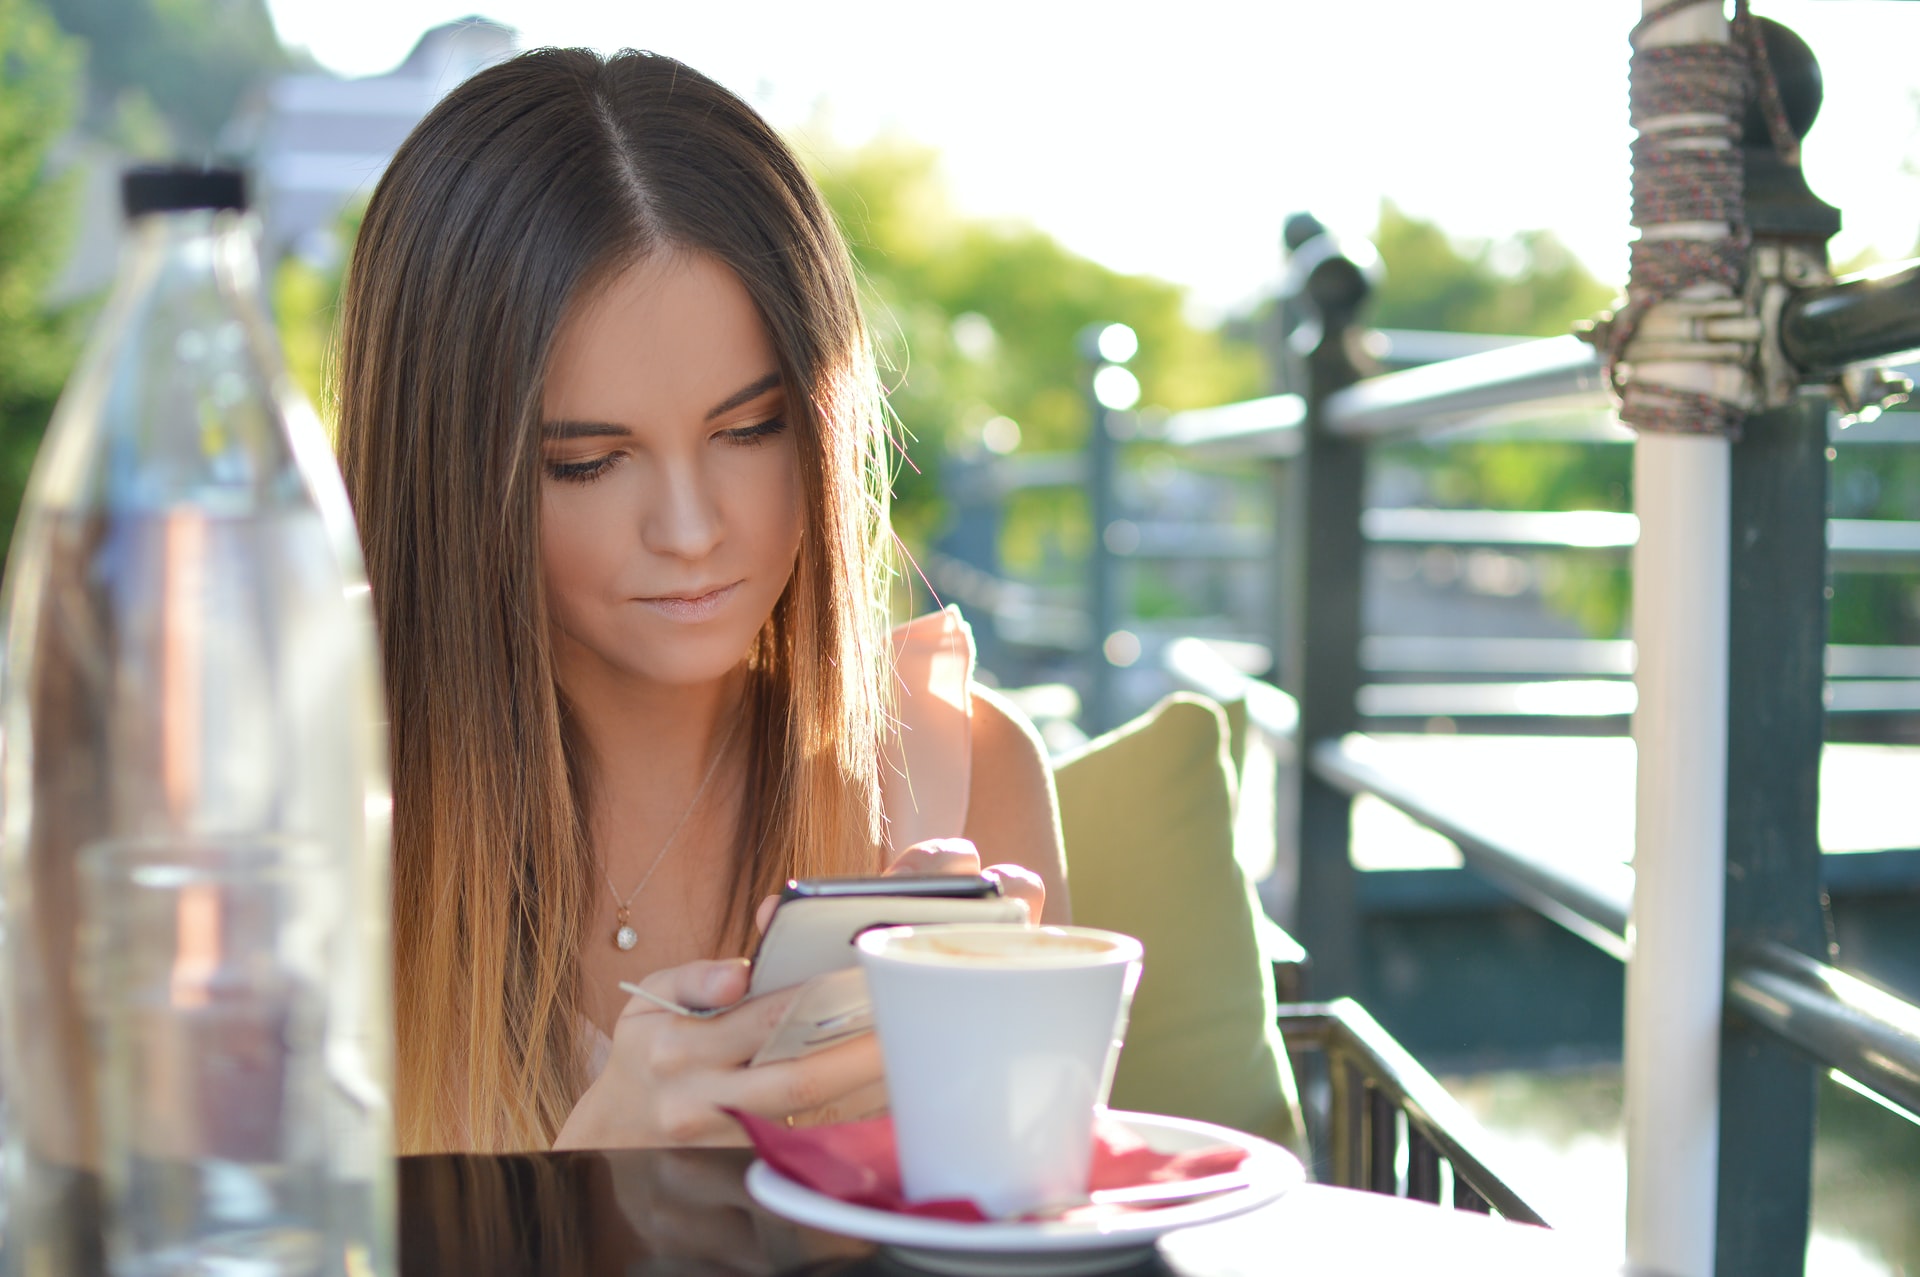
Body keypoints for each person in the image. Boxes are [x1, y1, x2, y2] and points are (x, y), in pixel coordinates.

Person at [333, 47, 1068, 1155]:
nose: (688, 528)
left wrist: (992, 1116)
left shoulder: (960, 775)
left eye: (749, 429)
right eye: (586, 460)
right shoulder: (301, 822)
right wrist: (586, 1192)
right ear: (442, 475)